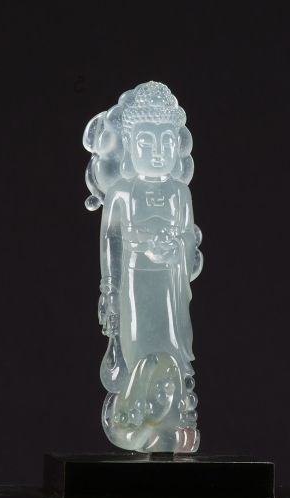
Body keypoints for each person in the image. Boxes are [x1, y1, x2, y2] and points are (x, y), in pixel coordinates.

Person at [84, 82, 202, 452]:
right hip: (135, 283)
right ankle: (137, 419)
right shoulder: (121, 193)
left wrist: (175, 248)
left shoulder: (179, 193)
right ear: (129, 146)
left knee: (173, 350)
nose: (157, 152)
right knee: (139, 349)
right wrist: (109, 288)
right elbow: (110, 242)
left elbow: (188, 238)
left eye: (166, 142)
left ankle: (173, 418)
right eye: (146, 142)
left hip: (169, 285)